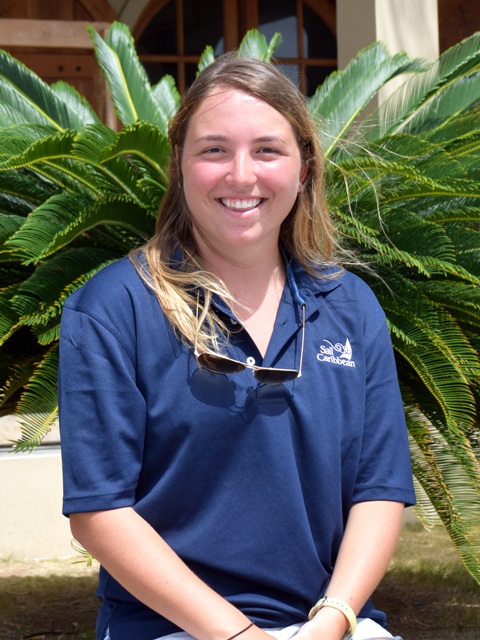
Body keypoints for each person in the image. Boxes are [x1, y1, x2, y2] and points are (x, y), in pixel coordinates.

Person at [59, 53, 416, 640]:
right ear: (179, 164)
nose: (241, 175)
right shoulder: (113, 308)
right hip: (171, 628)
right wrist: (241, 636)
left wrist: (333, 619)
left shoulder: (351, 306)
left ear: (304, 168)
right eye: (214, 150)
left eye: (267, 150)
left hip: (329, 623)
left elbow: (379, 491)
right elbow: (99, 512)